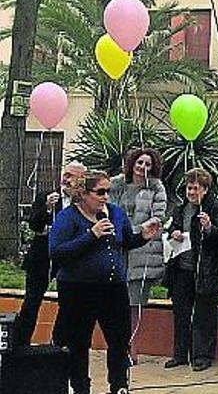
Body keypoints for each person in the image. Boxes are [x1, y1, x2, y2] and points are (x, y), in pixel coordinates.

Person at [49, 170, 161, 394]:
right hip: (79, 289)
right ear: (83, 193)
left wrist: (143, 236)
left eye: (108, 192)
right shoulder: (68, 217)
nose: (105, 197)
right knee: (79, 343)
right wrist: (91, 235)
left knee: (119, 341)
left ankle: (119, 385)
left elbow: (126, 241)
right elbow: (57, 252)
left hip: (113, 288)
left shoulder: (116, 214)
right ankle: (80, 387)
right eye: (100, 192)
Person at [163, 168, 218, 372]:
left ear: (205, 189)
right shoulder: (181, 208)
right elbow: (172, 227)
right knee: (181, 313)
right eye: (188, 188)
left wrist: (209, 228)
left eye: (195, 189)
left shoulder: (215, 207)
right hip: (182, 268)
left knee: (204, 314)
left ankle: (202, 355)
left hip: (206, 270)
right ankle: (180, 354)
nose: (191, 193)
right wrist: (173, 232)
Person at [13, 161, 85, 348]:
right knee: (31, 301)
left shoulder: (83, 202)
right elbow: (34, 225)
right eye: (65, 174)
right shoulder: (46, 196)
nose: (66, 179)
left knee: (68, 303)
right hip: (41, 257)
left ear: (81, 180)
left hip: (68, 259)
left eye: (72, 176)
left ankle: (58, 344)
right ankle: (21, 344)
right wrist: (46, 208)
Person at [109, 148, 166, 365]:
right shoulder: (116, 184)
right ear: (132, 163)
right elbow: (107, 210)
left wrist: (139, 230)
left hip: (143, 252)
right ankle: (118, 346)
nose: (143, 167)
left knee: (135, 305)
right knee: (115, 304)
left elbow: (158, 217)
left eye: (148, 164)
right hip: (117, 249)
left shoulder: (156, 187)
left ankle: (134, 350)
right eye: (140, 162)